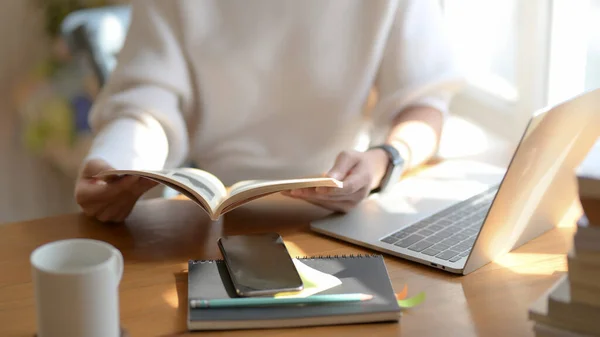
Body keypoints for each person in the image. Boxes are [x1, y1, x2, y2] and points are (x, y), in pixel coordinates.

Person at [74, 0, 464, 222]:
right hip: (215, 218)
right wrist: (117, 163)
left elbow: (422, 103)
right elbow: (146, 102)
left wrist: (383, 162)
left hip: (342, 211)